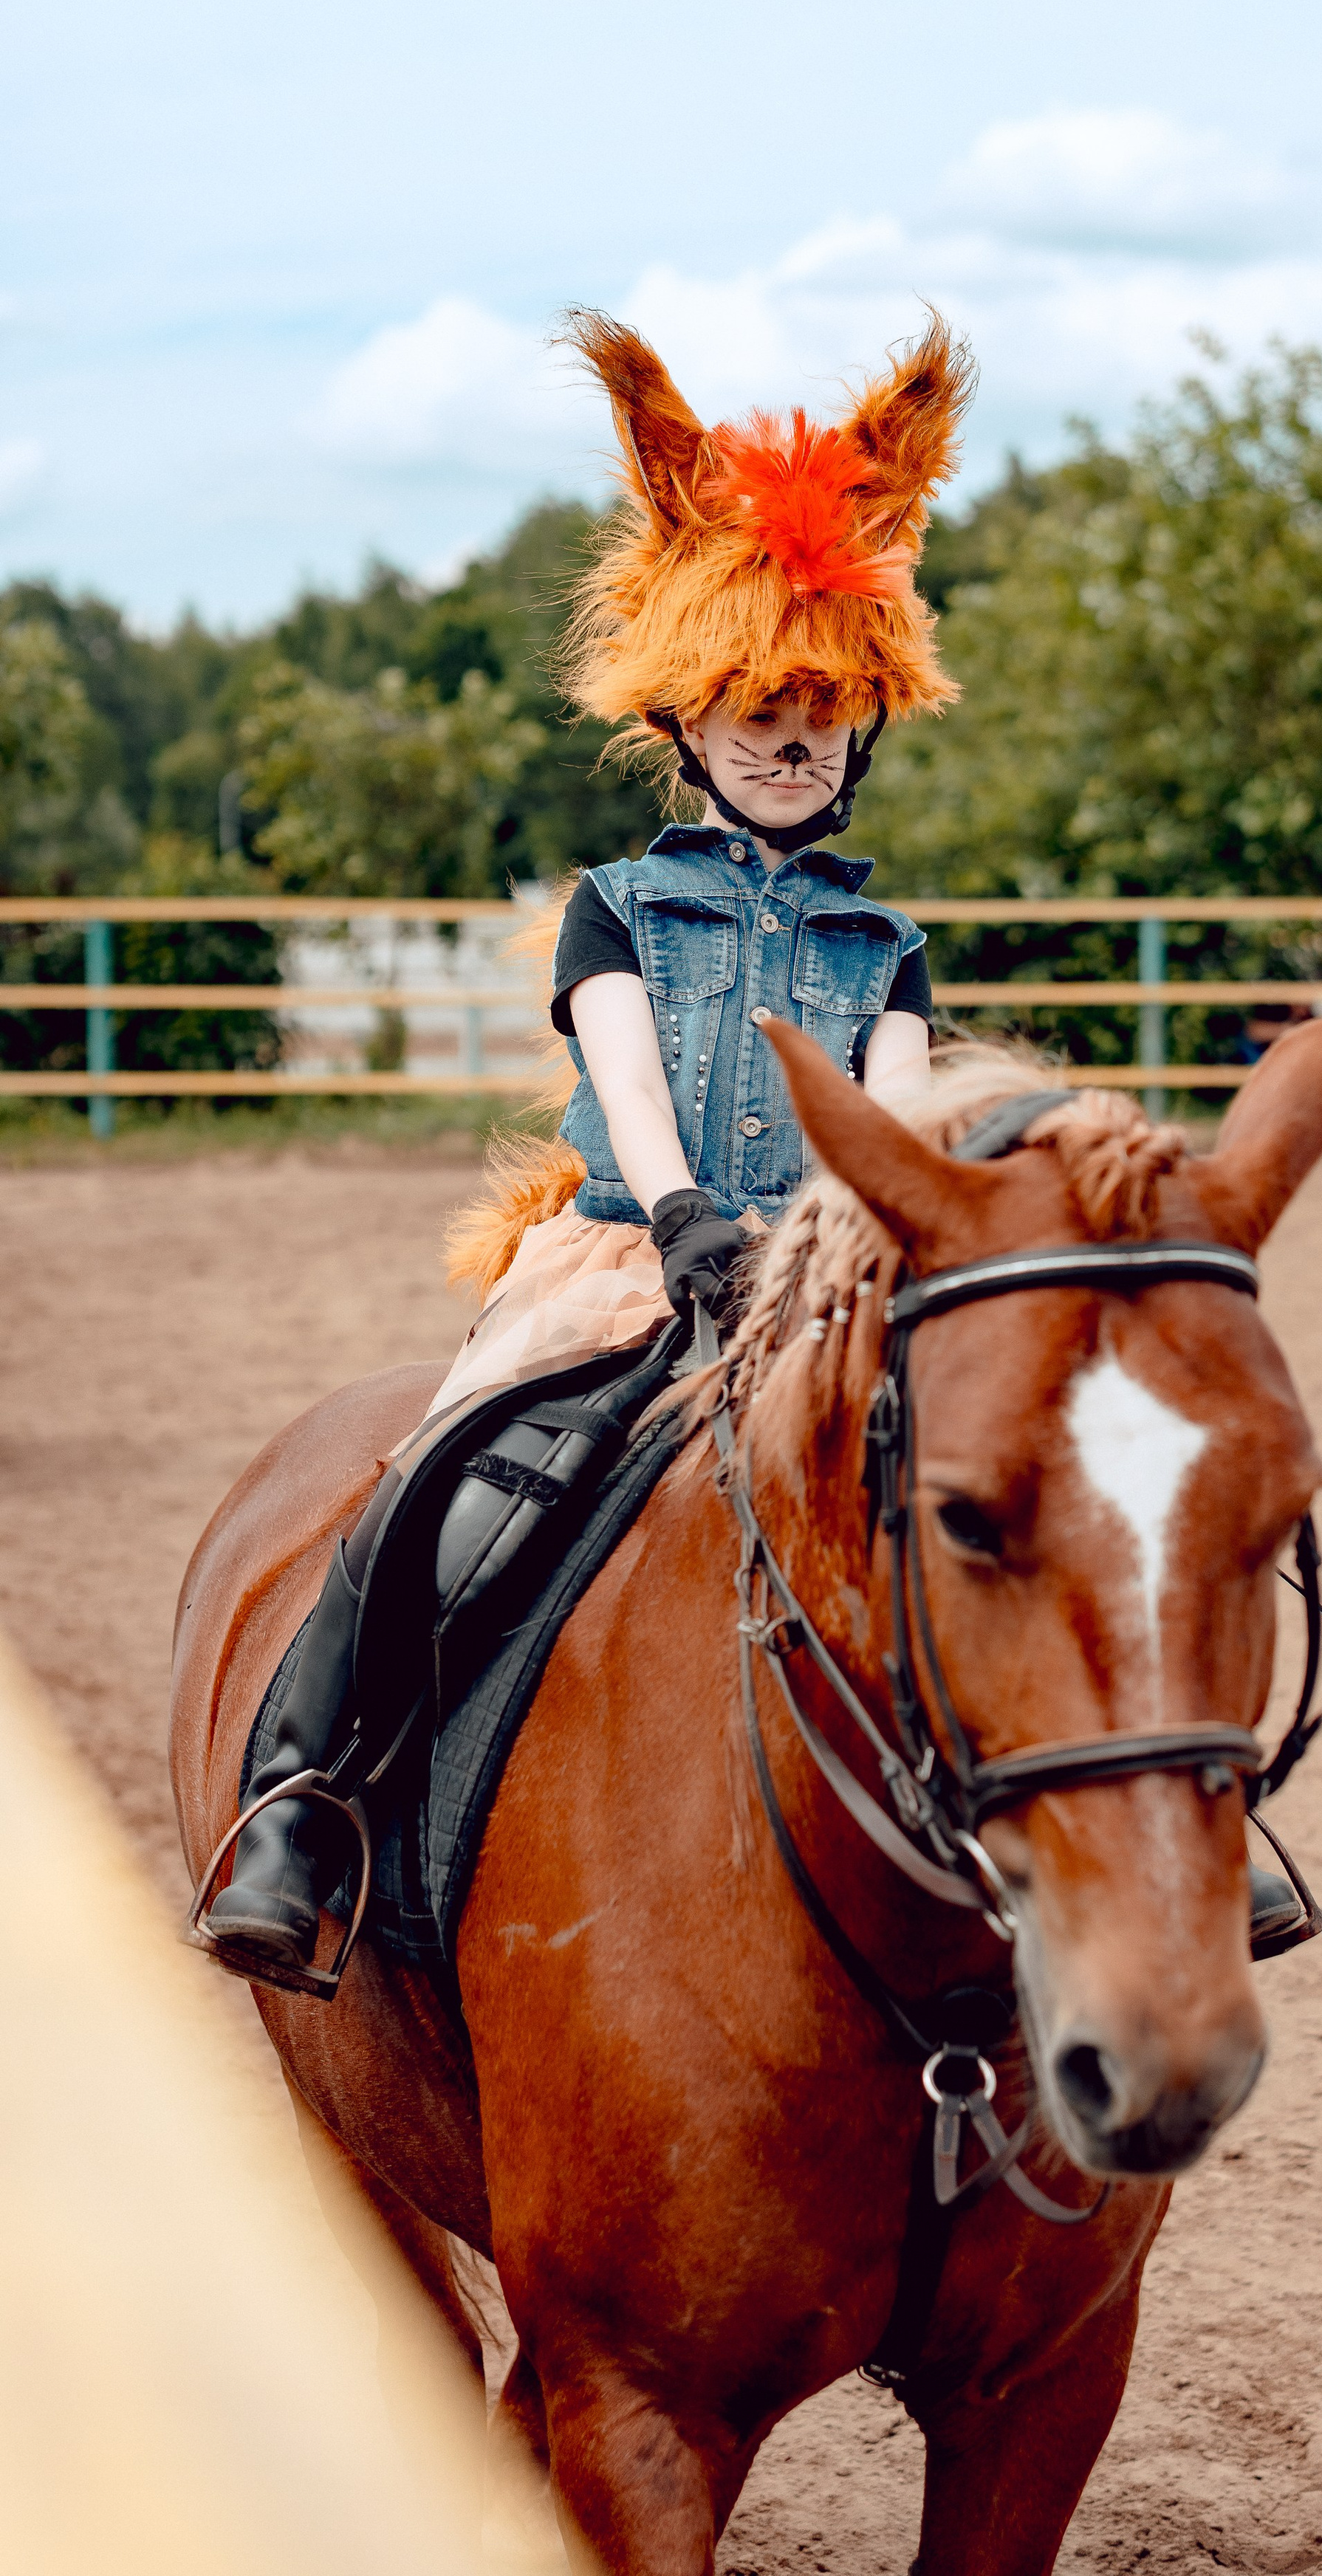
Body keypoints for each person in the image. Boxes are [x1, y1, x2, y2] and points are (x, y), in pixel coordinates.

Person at [205, 310, 973, 1974]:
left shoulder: (886, 947)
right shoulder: (617, 909)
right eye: (758, 702)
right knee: (441, 1484)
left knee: (1019, 1479)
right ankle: (303, 1807)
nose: (791, 736)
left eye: (824, 706)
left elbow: (894, 1122)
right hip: (628, 1250)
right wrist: (687, 1214)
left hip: (820, 1275)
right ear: (688, 713)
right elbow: (628, 1083)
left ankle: (1152, 1832)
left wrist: (859, 1242)